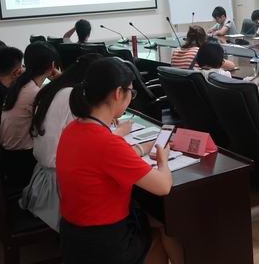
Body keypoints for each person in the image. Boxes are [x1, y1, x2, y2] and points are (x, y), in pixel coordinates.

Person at [56, 57, 182, 264]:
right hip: (104, 243)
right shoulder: (106, 143)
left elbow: (105, 158)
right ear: (118, 93)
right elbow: (163, 186)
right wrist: (163, 160)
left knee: (155, 219)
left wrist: (147, 146)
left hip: (73, 237)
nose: (131, 98)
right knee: (164, 230)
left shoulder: (72, 129)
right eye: (131, 92)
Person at [20, 53, 102, 231]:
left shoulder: (55, 88)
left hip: (44, 172)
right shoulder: (72, 95)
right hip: (60, 181)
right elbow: (88, 139)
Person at [0, 41, 60, 187]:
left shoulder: (22, 83)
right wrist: (61, 80)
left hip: (9, 156)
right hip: (22, 162)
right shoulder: (34, 92)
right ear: (52, 65)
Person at [170, 25, 235, 70]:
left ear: (187, 38)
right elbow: (231, 66)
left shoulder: (175, 51)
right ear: (204, 39)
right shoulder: (200, 52)